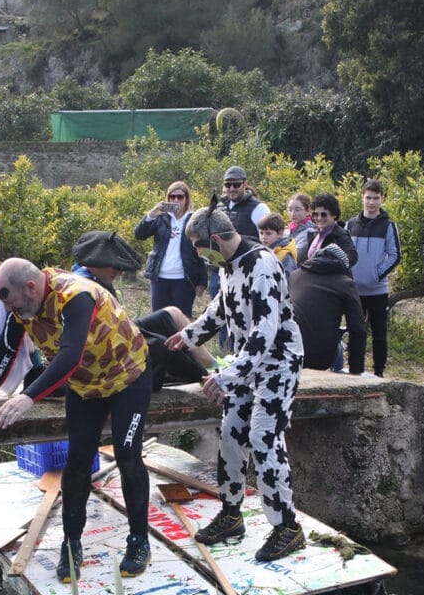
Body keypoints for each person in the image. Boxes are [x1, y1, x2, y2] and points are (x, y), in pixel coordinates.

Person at [0, 257, 154, 582]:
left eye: (13, 302)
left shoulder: (76, 295)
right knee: (77, 460)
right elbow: (6, 346)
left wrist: (27, 396)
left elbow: (69, 355)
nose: (11, 311)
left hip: (126, 379)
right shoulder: (22, 306)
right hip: (85, 386)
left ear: (31, 288)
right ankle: (71, 542)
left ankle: (139, 540)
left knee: (128, 455)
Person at [167, 207, 306, 562]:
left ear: (214, 240)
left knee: (263, 436)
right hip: (248, 363)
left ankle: (287, 526)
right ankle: (231, 515)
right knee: (230, 433)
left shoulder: (262, 265)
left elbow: (265, 331)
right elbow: (220, 310)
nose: (198, 254)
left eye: (198, 247)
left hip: (278, 361)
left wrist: (226, 376)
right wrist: (187, 335)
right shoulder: (230, 267)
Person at [71, 229, 212, 389]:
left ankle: (211, 364)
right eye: (115, 267)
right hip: (106, 356)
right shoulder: (83, 289)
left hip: (119, 331)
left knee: (171, 314)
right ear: (95, 262)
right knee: (161, 344)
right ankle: (204, 377)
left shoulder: (99, 276)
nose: (119, 272)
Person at [346, 178, 401, 376]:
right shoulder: (351, 224)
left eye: (375, 198)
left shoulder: (388, 226)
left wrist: (377, 274)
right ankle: (355, 370)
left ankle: (379, 372)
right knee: (355, 332)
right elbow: (344, 252)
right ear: (362, 198)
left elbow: (395, 255)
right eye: (368, 197)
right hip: (354, 289)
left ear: (382, 199)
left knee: (379, 334)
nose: (371, 202)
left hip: (378, 290)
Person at [289, 243, 367, 374]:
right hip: (321, 356)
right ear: (344, 268)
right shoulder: (345, 284)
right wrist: (356, 371)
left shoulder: (295, 275)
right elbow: (358, 329)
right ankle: (337, 375)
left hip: (288, 348)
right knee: (337, 343)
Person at [134, 180, 205, 315]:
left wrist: (201, 282)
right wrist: (150, 215)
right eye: (172, 196)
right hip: (160, 278)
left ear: (186, 198)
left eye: (180, 197)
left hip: (184, 279)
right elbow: (139, 235)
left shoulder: (194, 219)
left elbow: (200, 252)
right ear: (168, 198)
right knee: (158, 320)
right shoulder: (161, 218)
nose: (176, 200)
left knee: (181, 321)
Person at [299, 193, 358, 269]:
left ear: (334, 215)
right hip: (313, 279)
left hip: (332, 279)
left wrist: (329, 266)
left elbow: (352, 257)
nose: (319, 218)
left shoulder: (341, 235)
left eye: (323, 215)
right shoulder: (313, 235)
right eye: (316, 214)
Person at [219, 165, 270, 243]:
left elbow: (270, 240)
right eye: (228, 185)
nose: (232, 188)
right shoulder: (219, 207)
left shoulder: (259, 208)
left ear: (245, 184)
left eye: (236, 185)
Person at [286, 192, 318, 257]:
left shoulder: (310, 232)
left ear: (308, 210)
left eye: (297, 210)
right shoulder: (288, 230)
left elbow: (295, 255)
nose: (293, 214)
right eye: (290, 210)